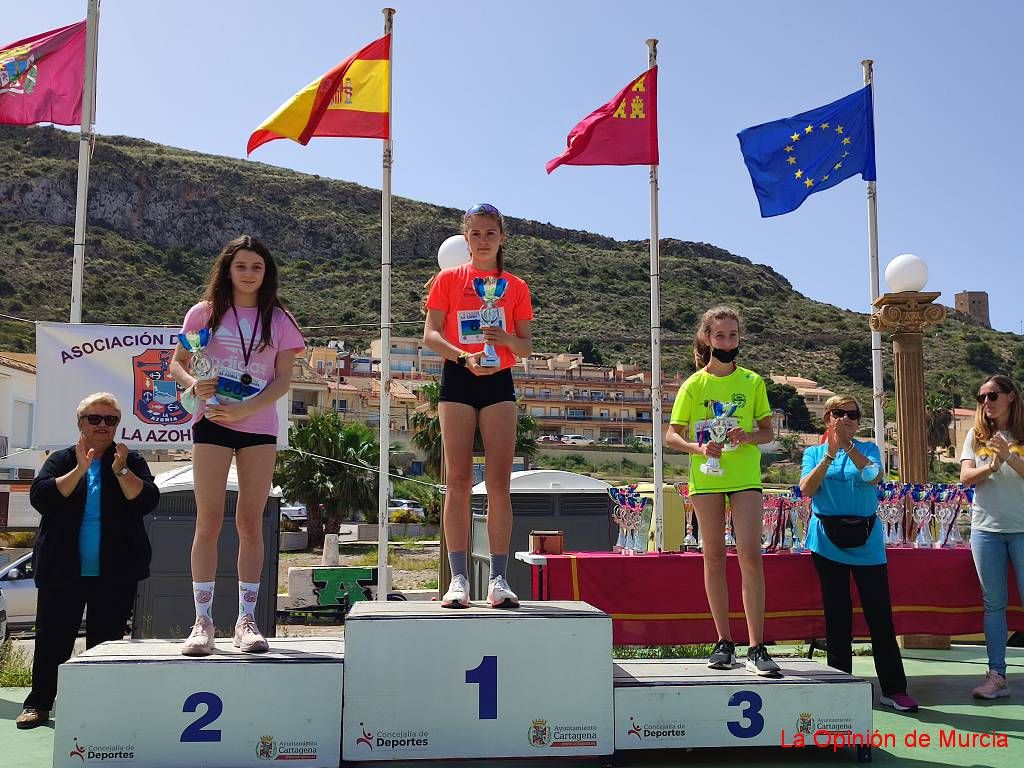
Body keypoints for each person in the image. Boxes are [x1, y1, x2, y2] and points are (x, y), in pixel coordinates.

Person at [170, 235, 305, 655]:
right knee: (207, 522)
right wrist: (195, 384)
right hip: (211, 421)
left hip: (257, 426)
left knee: (250, 522)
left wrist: (248, 409)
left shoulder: (280, 320)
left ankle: (246, 620)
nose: (249, 274)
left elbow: (283, 380)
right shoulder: (203, 313)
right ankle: (203, 622)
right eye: (241, 265)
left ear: (267, 274)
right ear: (228, 268)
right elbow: (177, 363)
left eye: (257, 267)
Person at [17, 393, 158, 729]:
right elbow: (42, 498)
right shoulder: (61, 459)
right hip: (62, 571)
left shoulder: (129, 459)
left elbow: (147, 500)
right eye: (94, 418)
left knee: (106, 644)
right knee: (53, 640)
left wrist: (121, 470)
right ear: (80, 423)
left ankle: (100, 705)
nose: (102, 425)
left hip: (115, 572)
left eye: (110, 420)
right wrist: (80, 469)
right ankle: (38, 704)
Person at [423, 203, 533, 608]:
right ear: (465, 238)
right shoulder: (448, 280)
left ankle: (499, 579)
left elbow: (524, 346)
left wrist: (503, 338)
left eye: (491, 233)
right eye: (476, 234)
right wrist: (461, 355)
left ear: (502, 237)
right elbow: (430, 335)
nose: (483, 241)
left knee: (500, 485)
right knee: (457, 482)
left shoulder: (516, 287)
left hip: (498, 382)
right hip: (458, 378)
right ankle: (458, 580)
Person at [665, 306, 780, 677]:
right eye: (720, 336)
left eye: (732, 336)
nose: (727, 342)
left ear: (738, 338)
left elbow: (768, 432)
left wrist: (748, 436)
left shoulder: (752, 382)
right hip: (706, 478)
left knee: (750, 556)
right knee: (713, 557)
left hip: (745, 476)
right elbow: (673, 434)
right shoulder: (693, 385)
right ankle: (723, 642)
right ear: (707, 338)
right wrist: (699, 449)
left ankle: (757, 646)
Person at [800, 394, 918, 712]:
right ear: (827, 418)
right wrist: (829, 455)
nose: (846, 419)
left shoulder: (869, 449)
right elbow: (807, 489)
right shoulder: (813, 452)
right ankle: (841, 688)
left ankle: (894, 688)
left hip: (867, 543)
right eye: (839, 413)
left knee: (880, 617)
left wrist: (849, 448)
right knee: (837, 619)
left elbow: (875, 477)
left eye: (852, 414)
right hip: (826, 542)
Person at [960, 374, 1024, 700]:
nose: (987, 401)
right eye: (982, 396)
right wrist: (993, 466)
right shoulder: (975, 434)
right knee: (994, 604)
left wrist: (1009, 456)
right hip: (986, 530)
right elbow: (967, 477)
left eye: (993, 394)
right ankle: (996, 676)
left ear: (1011, 396)